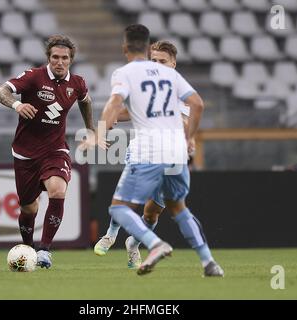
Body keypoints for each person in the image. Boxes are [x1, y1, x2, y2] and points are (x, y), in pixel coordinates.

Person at [93, 24, 223, 276]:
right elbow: (125, 113)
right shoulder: (161, 84)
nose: (157, 64)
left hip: (153, 150)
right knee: (173, 208)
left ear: (173, 63)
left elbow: (185, 113)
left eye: (163, 60)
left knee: (148, 211)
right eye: (154, 59)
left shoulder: (171, 88)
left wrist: (99, 129)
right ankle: (111, 236)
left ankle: (138, 242)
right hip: (167, 153)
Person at [0, 35, 95, 269]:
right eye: (55, 57)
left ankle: (44, 250)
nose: (60, 62)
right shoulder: (34, 77)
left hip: (55, 149)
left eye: (65, 58)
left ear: (71, 60)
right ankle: (27, 248)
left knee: (58, 190)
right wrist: (17, 104)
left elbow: (85, 100)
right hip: (25, 153)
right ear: (48, 58)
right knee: (29, 208)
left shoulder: (77, 83)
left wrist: (91, 129)